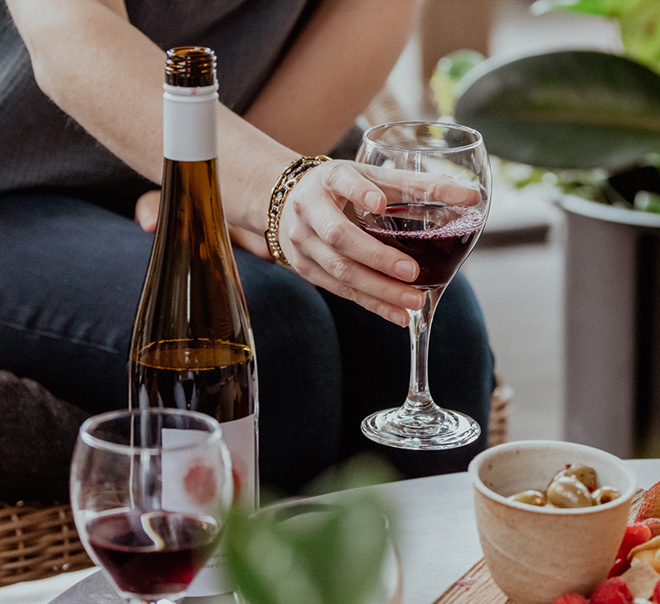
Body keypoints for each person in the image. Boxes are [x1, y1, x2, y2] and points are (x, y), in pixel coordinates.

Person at [0, 0, 495, 495]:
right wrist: (269, 186)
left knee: (439, 330)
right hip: (25, 189)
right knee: (272, 331)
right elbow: (68, 31)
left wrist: (231, 184)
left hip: (238, 143)